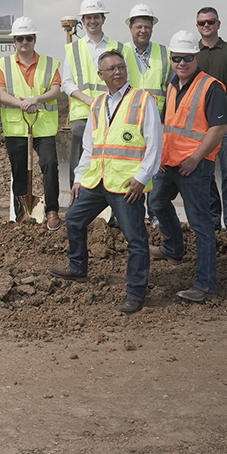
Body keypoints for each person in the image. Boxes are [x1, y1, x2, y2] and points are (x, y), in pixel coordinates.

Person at [48, 49, 162, 314]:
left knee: (135, 239)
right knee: (74, 219)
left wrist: (142, 178)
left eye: (121, 67)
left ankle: (136, 293)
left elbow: (155, 143)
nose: (118, 72)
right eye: (111, 69)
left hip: (126, 186)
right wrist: (79, 178)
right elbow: (90, 145)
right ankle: (78, 267)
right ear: (101, 75)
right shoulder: (98, 104)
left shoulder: (143, 100)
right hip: (97, 181)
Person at [149, 31, 227, 303]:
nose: (181, 63)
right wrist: (159, 154)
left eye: (187, 58)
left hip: (194, 165)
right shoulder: (172, 85)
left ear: (197, 57)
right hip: (169, 162)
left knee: (200, 224)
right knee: (157, 202)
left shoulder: (211, 86)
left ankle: (206, 284)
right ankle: (173, 247)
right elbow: (165, 124)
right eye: (176, 58)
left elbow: (218, 128)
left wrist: (195, 158)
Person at [0, 16, 63, 231]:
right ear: (14, 41)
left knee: (49, 164)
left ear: (34, 39)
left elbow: (55, 90)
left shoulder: (50, 63)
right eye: (19, 38)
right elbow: (1, 94)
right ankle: (21, 214)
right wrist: (23, 103)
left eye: (28, 38)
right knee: (20, 171)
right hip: (16, 127)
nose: (24, 42)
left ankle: (52, 210)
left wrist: (36, 100)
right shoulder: (3, 64)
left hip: (43, 127)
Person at [195, 6, 227, 237]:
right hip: (199, 126)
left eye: (210, 21)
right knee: (204, 173)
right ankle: (213, 220)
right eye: (202, 23)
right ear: (197, 26)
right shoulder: (192, 54)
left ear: (218, 24)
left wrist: (218, 111)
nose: (206, 25)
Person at [62, 0, 124, 191]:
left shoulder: (117, 47)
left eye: (96, 16)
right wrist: (88, 100)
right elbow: (67, 82)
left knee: (112, 156)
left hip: (112, 112)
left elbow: (123, 79)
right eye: (88, 17)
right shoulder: (73, 49)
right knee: (80, 160)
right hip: (83, 113)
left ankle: (112, 205)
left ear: (103, 19)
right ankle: (78, 202)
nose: (92, 21)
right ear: (82, 21)